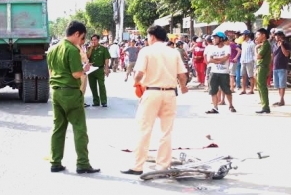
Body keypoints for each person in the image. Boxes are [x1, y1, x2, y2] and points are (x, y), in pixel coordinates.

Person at [121, 25, 188, 175]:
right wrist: (183, 87)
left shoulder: (146, 51)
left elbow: (138, 74)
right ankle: (163, 166)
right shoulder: (174, 52)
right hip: (170, 94)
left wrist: (135, 83)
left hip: (152, 92)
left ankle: (137, 166)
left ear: (152, 36)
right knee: (166, 131)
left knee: (144, 129)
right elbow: (182, 76)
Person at [47, 21, 100, 174]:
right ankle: (83, 163)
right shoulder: (71, 49)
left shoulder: (52, 49)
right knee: (79, 129)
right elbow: (76, 74)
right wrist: (85, 69)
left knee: (58, 128)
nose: (82, 42)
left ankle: (55, 162)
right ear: (76, 34)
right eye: (82, 38)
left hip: (56, 91)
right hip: (70, 92)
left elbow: (50, 72)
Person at [204, 32, 236, 114]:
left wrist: (216, 59)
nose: (213, 40)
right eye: (213, 38)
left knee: (227, 90)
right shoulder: (212, 48)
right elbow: (209, 60)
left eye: (215, 38)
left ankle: (231, 105)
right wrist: (219, 60)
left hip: (224, 72)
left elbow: (226, 58)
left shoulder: (227, 47)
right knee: (213, 90)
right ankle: (215, 107)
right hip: (213, 72)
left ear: (221, 39)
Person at [87, 34, 111, 107]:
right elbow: (87, 57)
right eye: (92, 40)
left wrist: (106, 69)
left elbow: (106, 59)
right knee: (92, 86)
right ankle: (96, 101)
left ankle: (104, 101)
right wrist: (91, 48)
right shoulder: (89, 48)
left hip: (100, 69)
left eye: (95, 40)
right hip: (91, 70)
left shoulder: (103, 48)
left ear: (98, 40)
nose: (94, 41)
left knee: (101, 85)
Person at [272, 29, 291, 106]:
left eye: (279, 35)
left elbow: (286, 54)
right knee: (278, 85)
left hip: (282, 66)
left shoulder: (286, 44)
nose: (277, 37)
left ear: (282, 36)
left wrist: (282, 45)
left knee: (282, 84)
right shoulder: (274, 45)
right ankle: (280, 99)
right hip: (275, 66)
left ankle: (282, 99)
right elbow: (273, 55)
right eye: (276, 35)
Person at [255, 28, 272, 114]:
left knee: (262, 86)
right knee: (259, 87)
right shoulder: (263, 44)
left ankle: (265, 106)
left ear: (263, 35)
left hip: (263, 67)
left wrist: (256, 48)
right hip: (260, 66)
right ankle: (263, 105)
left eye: (258, 34)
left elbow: (258, 56)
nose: (257, 36)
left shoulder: (266, 44)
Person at [239, 30, 256, 95]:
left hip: (249, 61)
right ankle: (244, 90)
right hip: (243, 61)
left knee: (251, 76)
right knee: (243, 76)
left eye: (243, 35)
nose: (242, 36)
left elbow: (254, 53)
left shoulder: (252, 44)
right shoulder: (243, 43)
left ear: (247, 35)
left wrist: (254, 62)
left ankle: (251, 90)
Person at [76, 35, 91, 108]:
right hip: (80, 70)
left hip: (85, 70)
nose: (84, 42)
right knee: (80, 87)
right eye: (83, 40)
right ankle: (78, 102)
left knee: (84, 87)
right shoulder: (75, 48)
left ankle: (82, 101)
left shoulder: (82, 48)